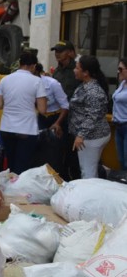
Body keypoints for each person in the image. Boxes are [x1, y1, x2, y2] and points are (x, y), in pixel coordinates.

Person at [0, 51, 47, 175]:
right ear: (34, 66)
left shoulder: (5, 80)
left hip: (7, 128)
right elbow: (42, 110)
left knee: (11, 165)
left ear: (19, 64)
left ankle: (10, 191)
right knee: (23, 167)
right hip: (27, 129)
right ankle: (18, 192)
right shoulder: (37, 81)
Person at [68, 55, 111, 179]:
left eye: (77, 68)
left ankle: (90, 196)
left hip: (91, 137)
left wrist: (81, 135)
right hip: (88, 136)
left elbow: (92, 116)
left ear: (86, 72)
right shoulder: (84, 85)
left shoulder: (93, 92)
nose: (74, 70)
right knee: (89, 169)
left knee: (88, 172)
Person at [51, 40, 82, 180]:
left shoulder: (77, 70)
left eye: (60, 51)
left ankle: (73, 178)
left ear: (69, 53)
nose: (57, 54)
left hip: (74, 117)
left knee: (72, 152)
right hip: (58, 116)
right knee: (58, 150)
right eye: (56, 51)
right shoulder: (57, 71)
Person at [34, 63, 69, 172]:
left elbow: (65, 106)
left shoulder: (52, 84)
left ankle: (58, 173)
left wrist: (58, 123)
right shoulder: (28, 84)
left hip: (56, 117)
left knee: (56, 148)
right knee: (41, 147)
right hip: (41, 117)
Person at [113, 57, 127, 170]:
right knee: (121, 160)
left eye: (121, 69)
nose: (118, 72)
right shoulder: (122, 84)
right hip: (118, 126)